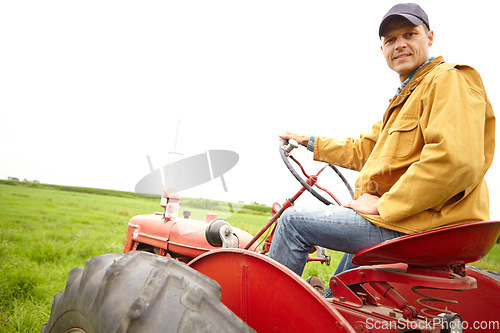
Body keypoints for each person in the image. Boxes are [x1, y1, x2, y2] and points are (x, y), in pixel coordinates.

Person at [268, 3, 495, 293]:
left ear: (430, 37)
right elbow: (364, 150)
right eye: (390, 40)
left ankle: (270, 316)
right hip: (414, 221)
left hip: (426, 225)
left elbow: (456, 160)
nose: (400, 45)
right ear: (383, 49)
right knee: (354, 230)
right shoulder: (408, 98)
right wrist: (310, 142)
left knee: (292, 222)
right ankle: (332, 304)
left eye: (410, 34)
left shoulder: (447, 79)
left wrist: (384, 205)